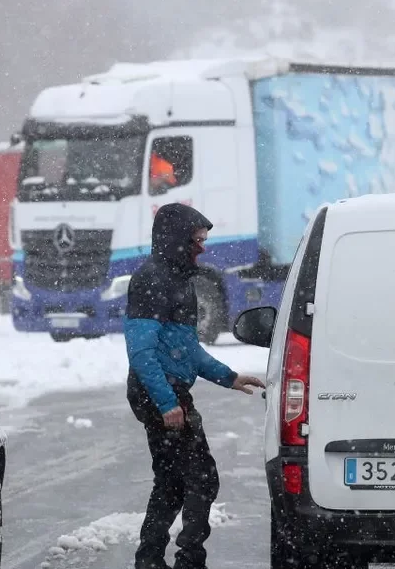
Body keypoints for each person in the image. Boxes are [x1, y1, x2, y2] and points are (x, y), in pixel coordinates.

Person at [124, 202, 264, 569]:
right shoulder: (152, 280)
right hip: (159, 392)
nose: (203, 247)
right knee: (201, 478)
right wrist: (167, 403)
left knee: (172, 482)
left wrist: (229, 377)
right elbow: (141, 353)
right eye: (197, 240)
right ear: (176, 240)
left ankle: (150, 559)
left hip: (166, 390)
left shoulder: (179, 281)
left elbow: (188, 350)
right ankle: (188, 560)